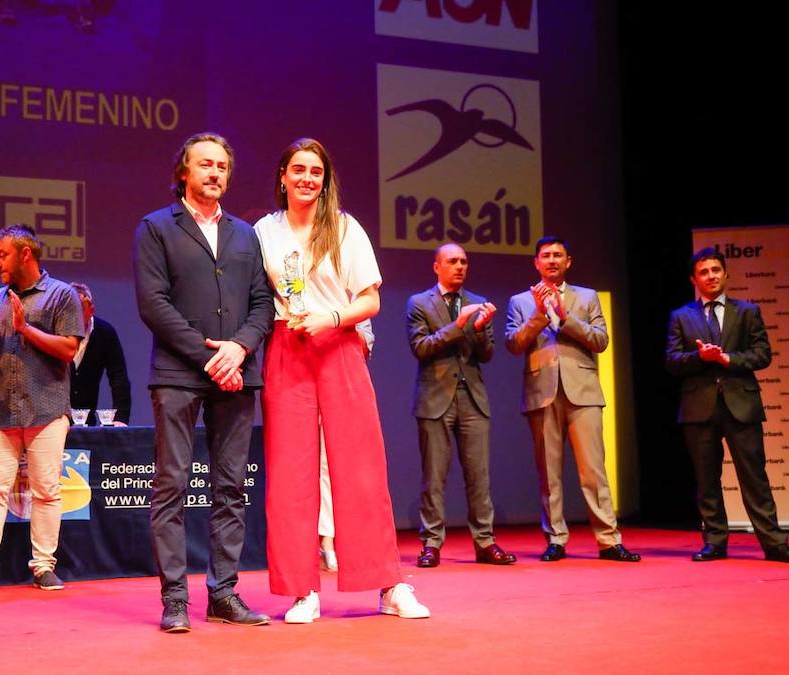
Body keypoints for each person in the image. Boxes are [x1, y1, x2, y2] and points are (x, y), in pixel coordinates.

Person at [255, 137, 429, 623]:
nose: (308, 178)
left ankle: (389, 586)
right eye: (299, 170)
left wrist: (331, 318)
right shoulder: (262, 233)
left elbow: (370, 300)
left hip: (340, 346)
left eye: (316, 171)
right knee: (289, 476)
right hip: (288, 350)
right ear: (283, 176)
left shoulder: (345, 228)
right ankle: (301, 591)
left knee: (362, 468)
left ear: (325, 180)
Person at [134, 132, 274, 633]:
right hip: (177, 374)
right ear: (184, 173)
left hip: (238, 372)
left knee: (230, 487)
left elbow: (263, 304)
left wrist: (239, 349)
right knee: (171, 485)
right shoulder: (156, 227)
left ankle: (223, 593)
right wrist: (208, 356)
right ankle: (175, 599)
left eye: (221, 166)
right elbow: (153, 304)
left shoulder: (245, 234)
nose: (214, 173)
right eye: (204, 165)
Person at [505, 236, 640, 562]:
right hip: (542, 393)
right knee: (548, 474)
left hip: (583, 392)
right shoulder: (520, 301)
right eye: (546, 256)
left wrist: (565, 317)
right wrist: (539, 316)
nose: (552, 260)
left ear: (568, 261)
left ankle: (608, 540)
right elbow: (513, 343)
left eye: (558, 255)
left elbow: (600, 340)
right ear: (536, 262)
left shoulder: (587, 297)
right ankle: (555, 540)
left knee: (594, 471)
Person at [0, 224, 85, 594]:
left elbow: (69, 350)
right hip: (2, 411)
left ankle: (43, 566)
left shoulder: (61, 295)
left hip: (47, 409)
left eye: (1, 255)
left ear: (25, 254)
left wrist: (25, 329)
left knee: (47, 491)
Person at [665, 247, 788, 562]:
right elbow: (672, 361)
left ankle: (774, 543)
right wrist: (699, 357)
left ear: (726, 274)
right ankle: (715, 542)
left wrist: (726, 358)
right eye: (704, 272)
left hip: (741, 403)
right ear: (695, 279)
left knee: (754, 477)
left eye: (716, 270)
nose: (711, 276)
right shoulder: (681, 316)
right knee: (706, 480)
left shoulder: (747, 311)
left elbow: (762, 354)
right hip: (699, 406)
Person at [406, 243, 516, 568]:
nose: (460, 267)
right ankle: (431, 544)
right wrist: (458, 326)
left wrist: (479, 329)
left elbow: (487, 354)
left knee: (478, 475)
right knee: (434, 477)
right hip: (435, 398)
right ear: (436, 266)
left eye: (464, 262)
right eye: (452, 261)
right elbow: (421, 348)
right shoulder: (418, 303)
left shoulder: (478, 303)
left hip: (473, 398)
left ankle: (485, 541)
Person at [318, 319, 373, 572]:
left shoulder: (356, 298)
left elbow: (364, 347)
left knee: (348, 466)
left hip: (346, 380)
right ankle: (326, 541)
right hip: (308, 376)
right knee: (321, 465)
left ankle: (350, 540)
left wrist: (341, 323)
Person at [68, 282, 131, 426]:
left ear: (91, 310)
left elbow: (118, 378)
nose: (73, 316)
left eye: (79, 309)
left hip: (88, 422)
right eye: (69, 310)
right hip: (55, 423)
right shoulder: (54, 331)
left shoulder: (105, 333)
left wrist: (120, 418)